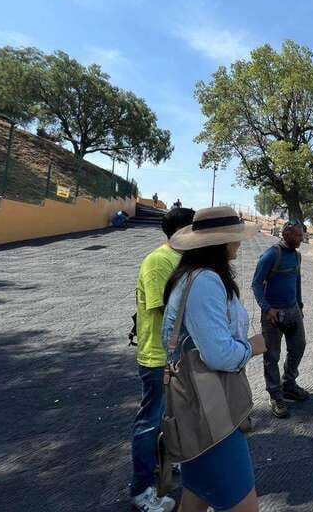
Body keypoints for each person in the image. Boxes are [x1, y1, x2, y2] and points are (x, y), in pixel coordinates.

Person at [162, 206, 266, 512]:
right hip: (209, 410)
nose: (239, 243)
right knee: (245, 506)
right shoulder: (206, 281)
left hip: (198, 408)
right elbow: (218, 354)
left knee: (195, 498)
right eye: (235, 237)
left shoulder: (193, 276)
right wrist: (252, 347)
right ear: (220, 243)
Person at [129, 207, 195, 512]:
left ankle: (167, 465)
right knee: (150, 421)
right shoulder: (159, 261)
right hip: (158, 358)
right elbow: (166, 311)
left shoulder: (181, 260)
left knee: (171, 418)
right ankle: (141, 490)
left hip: (177, 356)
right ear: (183, 232)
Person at [251, 220, 308, 418]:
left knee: (298, 347)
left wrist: (299, 305)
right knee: (272, 356)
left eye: (302, 235)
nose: (301, 238)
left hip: (293, 311)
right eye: (298, 235)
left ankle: (289, 384)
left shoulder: (297, 256)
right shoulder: (270, 255)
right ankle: (275, 395)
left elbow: (297, 281)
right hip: (272, 316)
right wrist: (267, 309)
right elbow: (256, 284)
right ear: (286, 235)